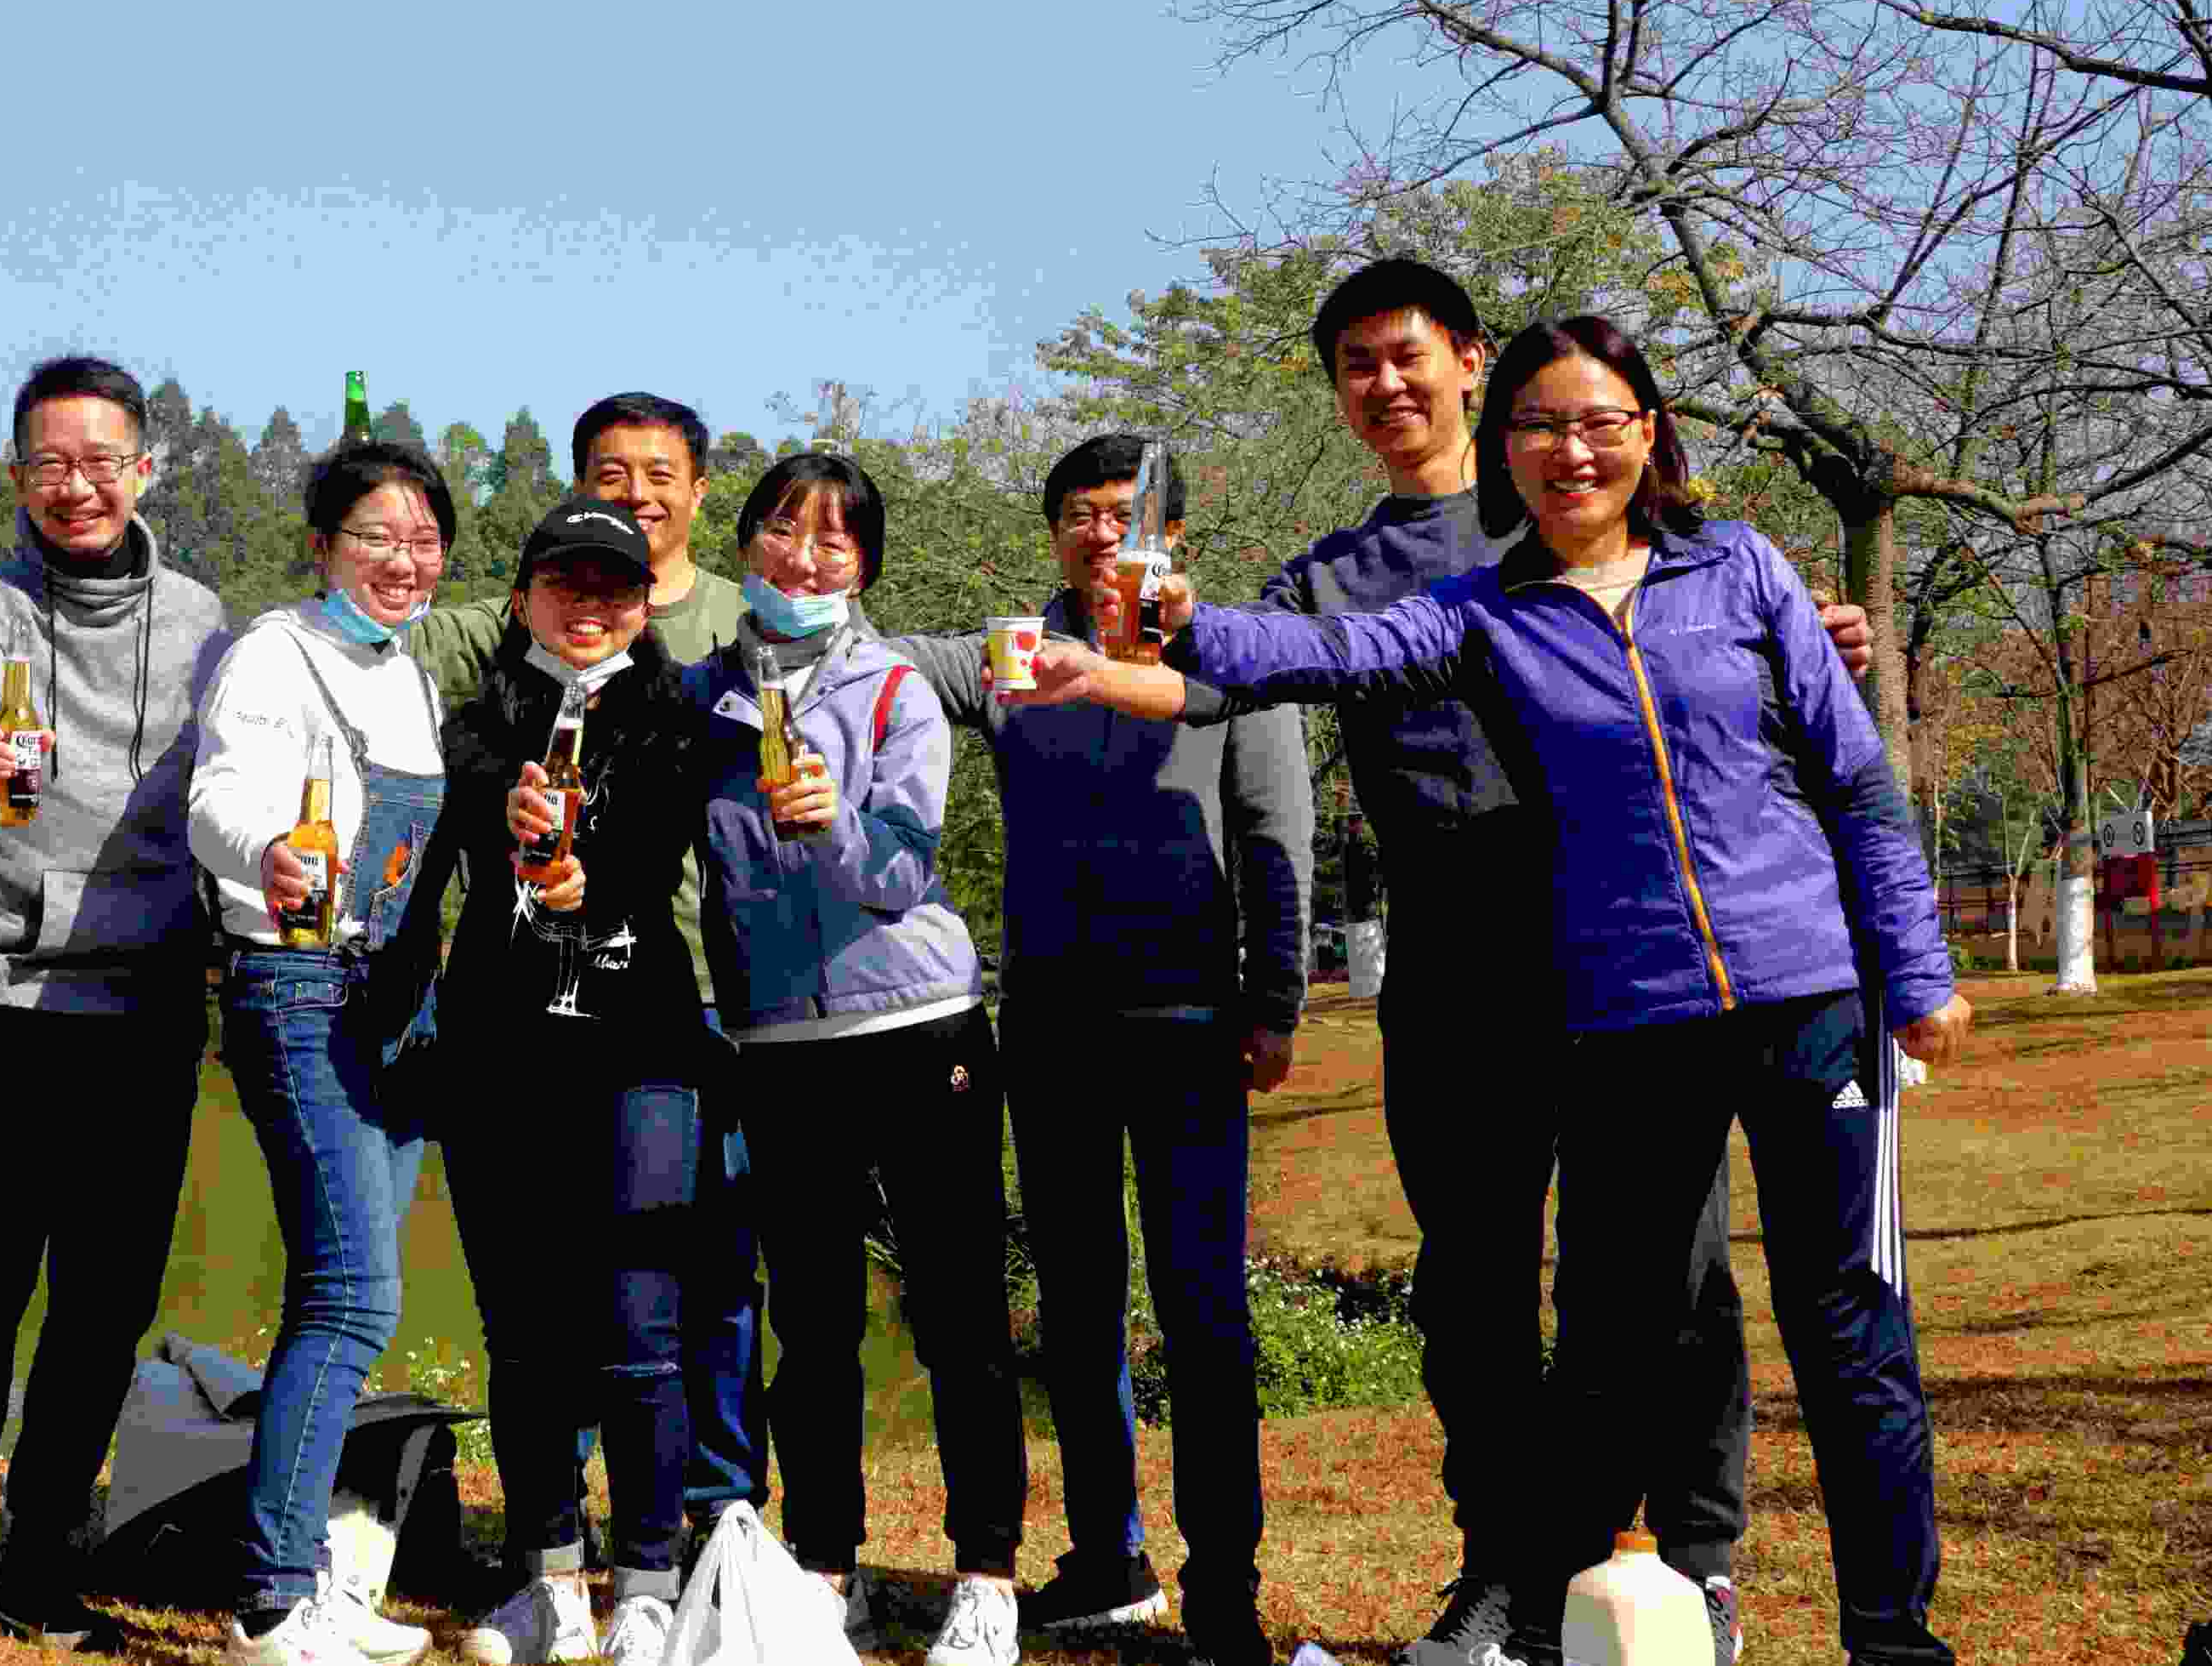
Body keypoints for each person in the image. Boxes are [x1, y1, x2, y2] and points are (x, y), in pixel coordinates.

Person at [1031, 314, 1967, 1666]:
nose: (1569, 450)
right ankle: (1534, 1593)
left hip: (1803, 990)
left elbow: (1858, 780)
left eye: (1598, 423)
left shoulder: (1740, 568)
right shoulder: (1481, 605)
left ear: (1645, 431)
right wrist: (1156, 635)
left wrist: (1918, 968)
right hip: (1621, 1004)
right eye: (1545, 430)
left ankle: (1869, 1627)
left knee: (1842, 1323)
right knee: (1580, 1326)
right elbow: (1321, 658)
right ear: (1510, 450)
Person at [1228, 259, 1869, 1666]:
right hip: (1455, 971)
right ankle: (1509, 1572)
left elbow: (1724, 649)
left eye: (1407, 354)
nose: (1385, 385)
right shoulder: (1328, 579)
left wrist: (1814, 646)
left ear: (1473, 364)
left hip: (1629, 947)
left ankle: (1694, 1560)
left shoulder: (1603, 505)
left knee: (1664, 1276)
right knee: (1473, 1288)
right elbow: (1251, 685)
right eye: (1355, 366)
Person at [882, 434, 1306, 1666]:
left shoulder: (1223, 653)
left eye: (1122, 512)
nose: (1098, 533)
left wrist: (1274, 997)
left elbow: (1277, 832)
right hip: (1053, 1027)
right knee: (1076, 1310)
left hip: (1191, 1028)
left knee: (1202, 1306)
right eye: (1077, 513)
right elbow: (883, 665)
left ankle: (1224, 1578)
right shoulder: (1019, 656)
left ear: (1170, 527)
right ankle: (1107, 1560)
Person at [0, 358, 229, 1666]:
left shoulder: (203, 621)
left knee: (104, 1305)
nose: (76, 486)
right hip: (16, 992)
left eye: (101, 462)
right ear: (17, 476)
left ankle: (39, 1562)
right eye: (48, 464)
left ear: (145, 470)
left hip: (149, 1002)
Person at [401, 394, 767, 1549]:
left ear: (646, 603)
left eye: (613, 589)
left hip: (646, 1036)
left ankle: (661, 1564)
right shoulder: (474, 720)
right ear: (523, 600)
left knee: (653, 1322)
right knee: (525, 1328)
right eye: (566, 584)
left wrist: (582, 880)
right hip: (500, 1044)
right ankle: (546, 1563)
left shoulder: (678, 720)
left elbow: (651, 850)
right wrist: (507, 810)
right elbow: (454, 795)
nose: (590, 605)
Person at [689, 452, 1024, 1666]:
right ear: (747, 547)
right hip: (780, 1045)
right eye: (783, 532)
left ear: (863, 566)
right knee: (814, 1323)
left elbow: (896, 876)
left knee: (958, 1316)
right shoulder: (700, 701)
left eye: (833, 543)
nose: (803, 560)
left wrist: (831, 823)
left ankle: (986, 1573)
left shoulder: (893, 694)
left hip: (914, 1029)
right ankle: (825, 1567)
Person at [187, 441, 462, 1666]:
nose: (401, 561)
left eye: (421, 542)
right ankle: (270, 1600)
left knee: (340, 1294)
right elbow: (215, 800)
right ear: (324, 546)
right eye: (375, 539)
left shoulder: (412, 675)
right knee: (356, 1297)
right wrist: (270, 855)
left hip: (403, 997)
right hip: (300, 981)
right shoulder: (271, 651)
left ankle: (310, 1579)